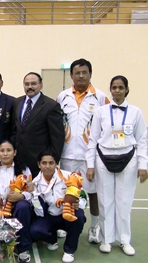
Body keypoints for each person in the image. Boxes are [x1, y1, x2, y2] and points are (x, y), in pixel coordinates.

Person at [86, 75, 148, 256]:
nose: (117, 91)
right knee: (105, 201)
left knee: (124, 201)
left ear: (127, 90)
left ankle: (124, 240)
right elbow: (93, 139)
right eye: (114, 87)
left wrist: (143, 164)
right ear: (110, 90)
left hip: (128, 158)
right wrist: (90, 165)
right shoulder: (100, 112)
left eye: (121, 87)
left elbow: (143, 140)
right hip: (103, 158)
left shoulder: (136, 112)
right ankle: (106, 239)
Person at [56, 58, 110, 244]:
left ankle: (94, 227)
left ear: (90, 74)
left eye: (84, 72)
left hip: (91, 156)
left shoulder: (101, 97)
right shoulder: (62, 97)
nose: (80, 76)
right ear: (71, 75)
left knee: (93, 193)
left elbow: (108, 126)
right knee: (66, 190)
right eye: (77, 73)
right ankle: (65, 223)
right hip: (66, 153)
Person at [30, 150, 86, 263]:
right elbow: (40, 213)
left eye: (51, 163)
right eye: (44, 163)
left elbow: (83, 196)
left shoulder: (68, 176)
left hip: (66, 214)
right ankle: (52, 239)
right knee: (35, 231)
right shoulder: (35, 183)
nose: (48, 166)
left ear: (56, 163)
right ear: (39, 165)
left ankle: (69, 250)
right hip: (49, 216)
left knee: (79, 216)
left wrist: (78, 203)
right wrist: (34, 195)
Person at [0, 140, 33, 263]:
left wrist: (21, 196)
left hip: (18, 211)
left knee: (23, 206)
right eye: (2, 151)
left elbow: (33, 194)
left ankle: (23, 248)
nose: (5, 154)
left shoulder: (24, 170)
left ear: (15, 152)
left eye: (9, 150)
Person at [11, 72, 64, 177]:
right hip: (18, 161)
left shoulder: (51, 106)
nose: (30, 87)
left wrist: (50, 161)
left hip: (39, 162)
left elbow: (57, 137)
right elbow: (15, 130)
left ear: (41, 85)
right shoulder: (17, 102)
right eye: (27, 84)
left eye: (33, 84)